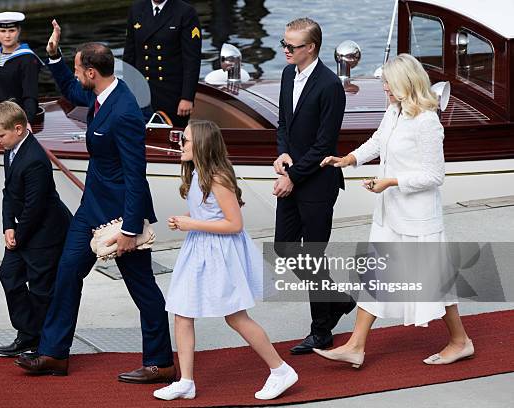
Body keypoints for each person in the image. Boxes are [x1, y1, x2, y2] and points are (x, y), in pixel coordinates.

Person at [14, 20, 175, 380]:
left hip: (121, 217)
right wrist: (54, 56)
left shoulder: (125, 113)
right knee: (67, 272)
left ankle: (161, 361)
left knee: (142, 287)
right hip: (91, 209)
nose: (76, 75)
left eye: (77, 67)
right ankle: (54, 353)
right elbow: (72, 90)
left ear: (92, 71)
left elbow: (136, 175)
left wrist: (132, 228)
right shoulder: (101, 94)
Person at [318, 53, 474, 367]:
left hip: (417, 217)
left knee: (433, 281)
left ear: (405, 83)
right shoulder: (395, 110)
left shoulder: (427, 120)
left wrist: (390, 181)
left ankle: (460, 341)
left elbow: (434, 176)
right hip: (390, 213)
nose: (385, 89)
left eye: (388, 83)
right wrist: (348, 159)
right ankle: (356, 345)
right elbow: (378, 141)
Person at [152, 120, 298, 401]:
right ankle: (186, 381)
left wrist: (189, 222)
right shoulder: (197, 174)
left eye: (185, 140)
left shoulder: (217, 178)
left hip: (219, 254)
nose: (180, 144)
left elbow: (234, 224)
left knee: (235, 316)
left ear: (203, 145)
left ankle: (280, 370)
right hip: (199, 250)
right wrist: (189, 224)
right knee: (182, 313)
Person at [272, 18, 355, 355]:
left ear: (311, 48)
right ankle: (337, 301)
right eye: (284, 44)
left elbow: (324, 144)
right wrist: (282, 154)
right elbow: (283, 123)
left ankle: (321, 330)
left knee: (312, 254)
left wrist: (293, 176)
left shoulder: (330, 85)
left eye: (292, 46)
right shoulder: (287, 74)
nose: (286, 51)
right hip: (292, 173)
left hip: (318, 183)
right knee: (284, 246)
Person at [0, 101, 72, 357]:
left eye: (0, 135)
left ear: (19, 129)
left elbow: (35, 208)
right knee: (9, 276)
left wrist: (18, 235)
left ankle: (43, 345)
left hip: (45, 234)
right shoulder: (11, 149)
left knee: (40, 290)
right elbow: (8, 192)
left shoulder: (35, 160)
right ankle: (28, 333)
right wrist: (7, 227)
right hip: (22, 229)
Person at [123, 0, 201, 128]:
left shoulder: (185, 12)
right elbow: (129, 56)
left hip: (171, 94)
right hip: (141, 92)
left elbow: (192, 60)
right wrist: (127, 93)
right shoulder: (136, 9)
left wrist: (187, 97)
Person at [0, 11, 43, 124]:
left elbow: (30, 95)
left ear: (19, 31)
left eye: (12, 30)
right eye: (2, 31)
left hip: (17, 119)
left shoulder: (28, 59)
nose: (7, 36)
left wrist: (26, 123)